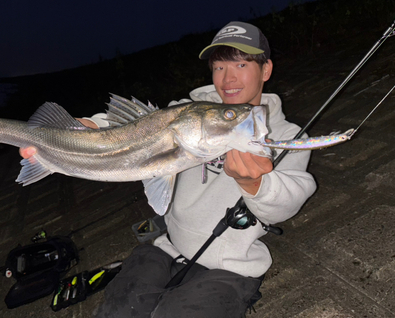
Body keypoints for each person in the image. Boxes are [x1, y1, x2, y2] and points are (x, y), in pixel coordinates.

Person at [20, 21, 317, 317]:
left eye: (241, 64)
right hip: (167, 247)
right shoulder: (185, 111)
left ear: (265, 70)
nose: (228, 78)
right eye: (219, 67)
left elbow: (287, 202)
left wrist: (256, 185)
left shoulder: (286, 135)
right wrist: (89, 126)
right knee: (118, 310)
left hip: (232, 266)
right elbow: (136, 126)